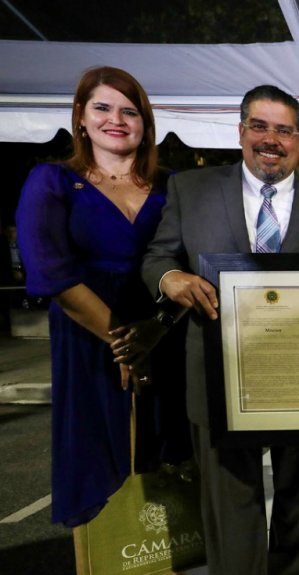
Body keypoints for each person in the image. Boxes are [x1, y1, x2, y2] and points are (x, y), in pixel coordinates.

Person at [142, 84, 299, 575]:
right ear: (241, 132)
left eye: (284, 130)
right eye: (260, 126)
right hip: (218, 376)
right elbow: (158, 257)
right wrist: (169, 278)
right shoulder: (190, 190)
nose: (271, 139)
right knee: (230, 504)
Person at [15, 66, 191, 532]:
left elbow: (192, 264)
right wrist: (127, 345)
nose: (117, 119)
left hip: (167, 336)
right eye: (103, 107)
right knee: (99, 461)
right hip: (91, 341)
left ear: (145, 123)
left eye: (130, 111)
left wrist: (155, 333)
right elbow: (51, 272)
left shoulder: (175, 187)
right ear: (80, 117)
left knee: (171, 468)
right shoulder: (51, 181)